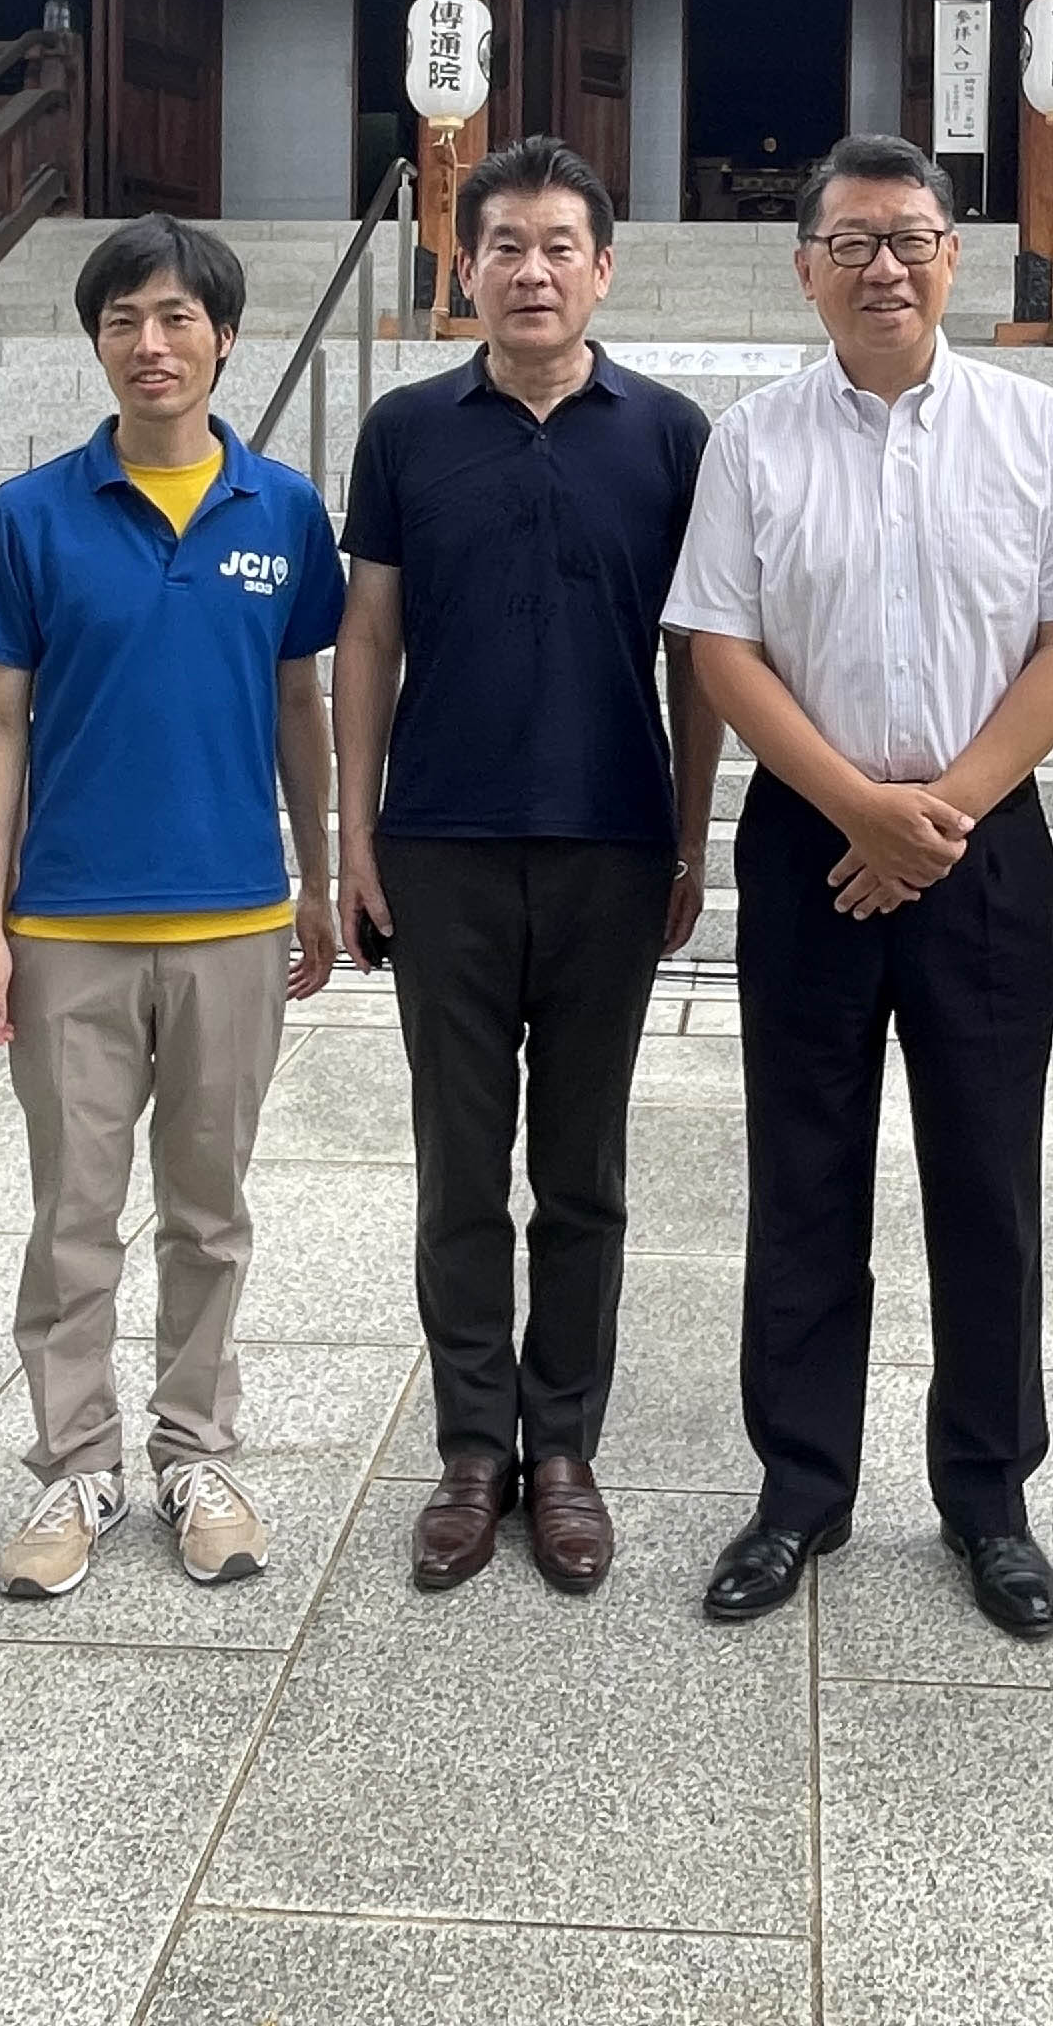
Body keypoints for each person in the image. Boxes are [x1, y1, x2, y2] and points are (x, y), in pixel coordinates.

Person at [664, 134, 1053, 1640]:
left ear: (955, 258)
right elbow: (719, 649)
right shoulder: (752, 443)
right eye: (852, 241)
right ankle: (801, 1488)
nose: (885, 265)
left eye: (912, 238)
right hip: (811, 842)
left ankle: (989, 1498)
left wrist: (940, 813)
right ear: (805, 268)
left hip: (984, 845)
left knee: (985, 1180)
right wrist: (858, 807)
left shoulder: (1033, 427)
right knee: (804, 1177)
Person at [334, 136, 721, 1597]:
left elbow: (702, 659)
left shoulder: (672, 435)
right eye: (505, 244)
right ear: (465, 267)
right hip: (440, 846)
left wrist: (692, 835)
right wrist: (354, 838)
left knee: (583, 1170)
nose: (533, 269)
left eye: (561, 244)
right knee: (455, 1167)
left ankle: (564, 1446)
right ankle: (470, 1449)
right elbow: (368, 636)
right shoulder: (406, 430)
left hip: (613, 848)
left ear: (603, 268)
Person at [0, 216, 344, 1601]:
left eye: (178, 317)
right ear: (98, 340)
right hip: (69, 920)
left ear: (225, 337)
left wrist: (321, 874)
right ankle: (74, 1466)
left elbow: (302, 699)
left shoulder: (283, 511)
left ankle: (194, 1452)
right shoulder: (31, 512)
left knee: (209, 1207)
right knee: (72, 1208)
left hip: (235, 912)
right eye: (124, 319)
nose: (152, 343)